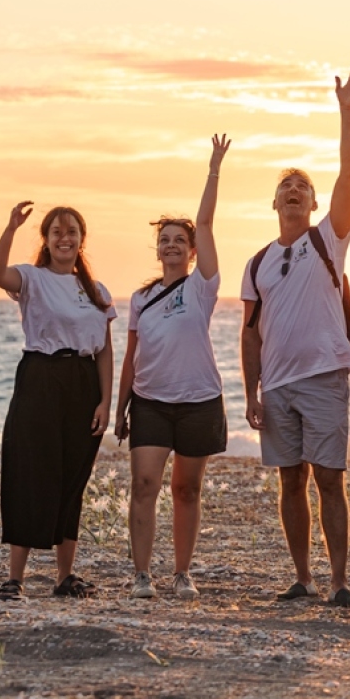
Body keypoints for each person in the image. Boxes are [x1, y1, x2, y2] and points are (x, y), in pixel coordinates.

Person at [241, 66, 350, 607]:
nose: (293, 191)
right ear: (273, 205)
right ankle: (303, 578)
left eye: (301, 187)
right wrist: (251, 392)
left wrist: (346, 109)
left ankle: (338, 582)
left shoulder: (328, 240)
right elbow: (250, 335)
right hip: (279, 386)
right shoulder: (259, 261)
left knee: (330, 480)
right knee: (290, 482)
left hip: (323, 377)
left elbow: (349, 178)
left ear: (313, 204)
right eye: (284, 187)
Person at [114, 135, 231, 600]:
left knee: (186, 490)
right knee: (144, 484)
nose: (172, 246)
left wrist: (214, 169)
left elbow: (204, 220)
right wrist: (120, 408)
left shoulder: (202, 288)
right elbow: (130, 356)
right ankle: (142, 575)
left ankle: (182, 573)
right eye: (164, 241)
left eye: (180, 241)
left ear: (193, 251)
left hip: (199, 400)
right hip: (150, 404)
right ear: (156, 249)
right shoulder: (141, 299)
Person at [0, 203, 116, 601]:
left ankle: (64, 577)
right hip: (40, 377)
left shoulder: (96, 291)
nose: (65, 237)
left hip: (83, 384)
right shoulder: (32, 278)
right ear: (46, 239)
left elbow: (106, 352)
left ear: (82, 239)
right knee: (30, 472)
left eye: (72, 231)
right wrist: (9, 228)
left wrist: (105, 402)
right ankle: (15, 579)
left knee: (72, 478)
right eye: (57, 231)